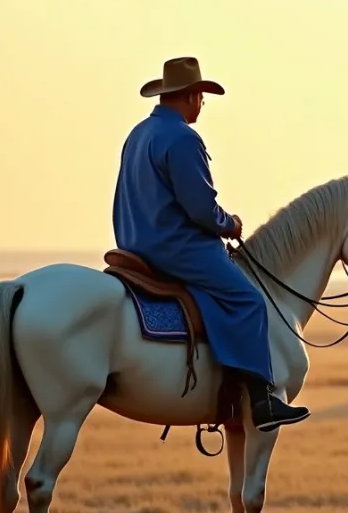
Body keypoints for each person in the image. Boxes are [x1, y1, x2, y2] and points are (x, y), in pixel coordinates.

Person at [112, 56, 311, 432]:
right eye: (201, 96)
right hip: (177, 249)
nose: (202, 103)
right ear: (189, 96)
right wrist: (229, 224)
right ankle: (263, 400)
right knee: (249, 300)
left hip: (134, 245)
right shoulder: (184, 139)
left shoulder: (138, 134)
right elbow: (200, 208)